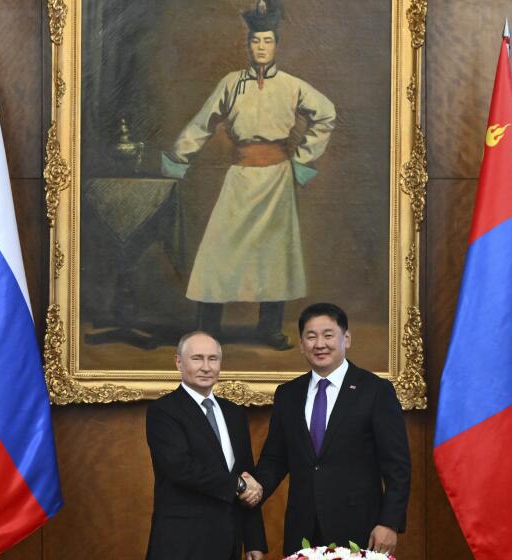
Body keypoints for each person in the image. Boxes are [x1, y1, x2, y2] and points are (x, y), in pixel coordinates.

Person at [162, 0, 336, 350]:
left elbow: (326, 114)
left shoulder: (291, 86)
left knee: (274, 255)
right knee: (219, 250)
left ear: (276, 45)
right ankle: (207, 328)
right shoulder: (231, 84)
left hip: (277, 181)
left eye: (268, 41)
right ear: (248, 45)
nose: (261, 47)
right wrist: (178, 158)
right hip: (240, 178)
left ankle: (268, 329)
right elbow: (204, 122)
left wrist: (302, 160)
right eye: (256, 41)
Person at [249, 303, 411, 556]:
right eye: (311, 337)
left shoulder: (375, 391)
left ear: (346, 339)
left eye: (328, 335)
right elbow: (275, 458)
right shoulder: (288, 394)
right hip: (302, 528)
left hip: (361, 528)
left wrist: (389, 522)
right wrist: (253, 488)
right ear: (302, 344)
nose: (319, 344)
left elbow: (397, 466)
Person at [145, 331, 267, 560]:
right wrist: (239, 485)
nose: (206, 367)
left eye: (213, 359)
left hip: (229, 542)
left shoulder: (234, 413)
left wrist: (254, 540)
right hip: (181, 544)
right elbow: (180, 467)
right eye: (197, 358)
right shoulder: (164, 411)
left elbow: (246, 473)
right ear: (179, 362)